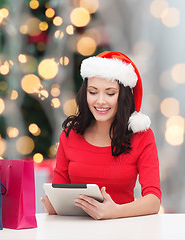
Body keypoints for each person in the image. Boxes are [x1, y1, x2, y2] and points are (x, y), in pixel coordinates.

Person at [40, 51, 162, 220]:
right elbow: (59, 190)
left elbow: (153, 201)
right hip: (74, 231)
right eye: (93, 92)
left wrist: (114, 212)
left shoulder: (142, 136)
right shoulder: (70, 135)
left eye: (110, 93)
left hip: (122, 229)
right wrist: (55, 208)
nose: (100, 101)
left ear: (123, 96)